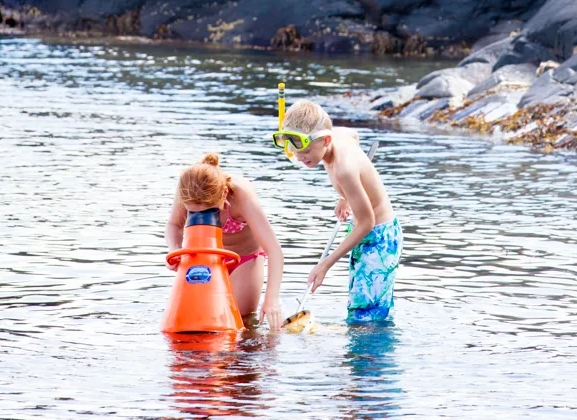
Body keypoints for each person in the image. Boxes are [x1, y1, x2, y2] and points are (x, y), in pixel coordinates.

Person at [272, 100, 403, 323]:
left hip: (380, 238)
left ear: (326, 140)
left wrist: (324, 265)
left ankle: (368, 357)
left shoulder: (344, 170)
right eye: (294, 152)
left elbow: (367, 222)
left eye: (305, 151)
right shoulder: (335, 136)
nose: (300, 158)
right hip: (364, 231)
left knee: (366, 317)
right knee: (361, 305)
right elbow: (353, 136)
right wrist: (347, 197)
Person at [165, 153, 283, 330]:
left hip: (244, 259)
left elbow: (274, 251)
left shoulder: (241, 195)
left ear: (224, 194)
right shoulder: (188, 190)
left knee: (239, 324)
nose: (201, 217)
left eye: (208, 212)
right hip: (205, 261)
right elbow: (174, 225)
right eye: (193, 213)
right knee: (201, 324)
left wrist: (271, 299)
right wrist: (175, 252)